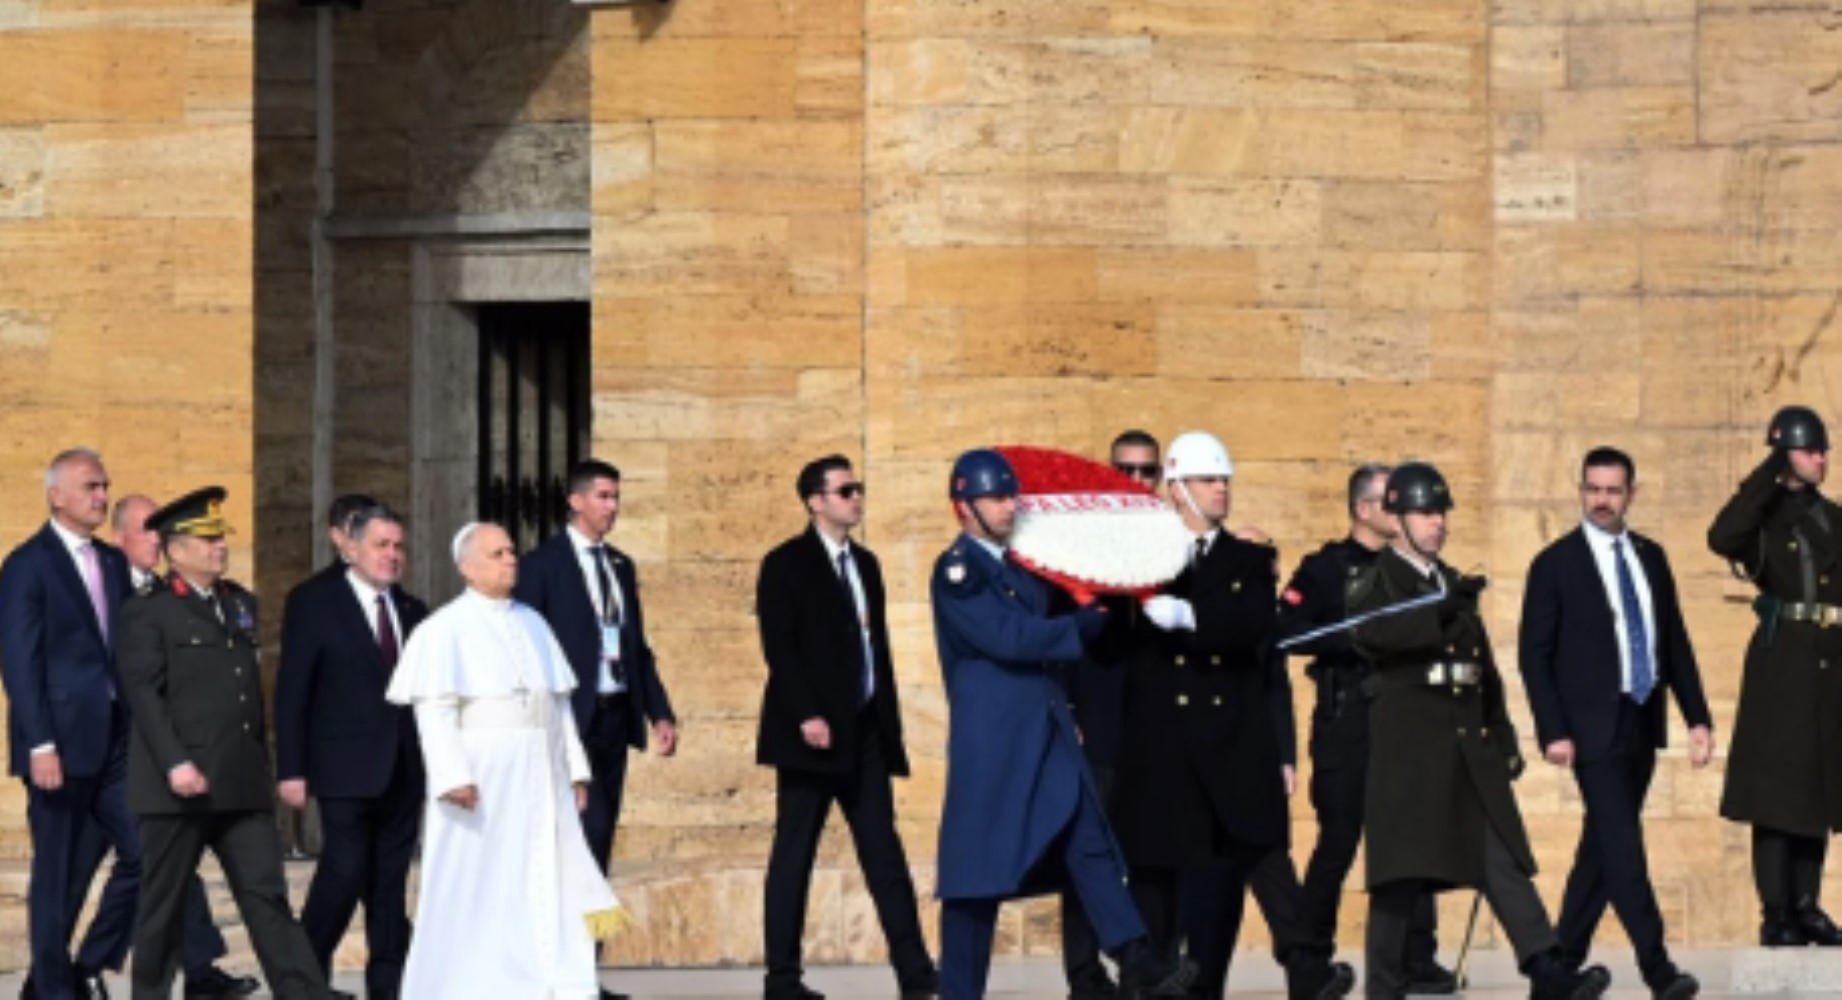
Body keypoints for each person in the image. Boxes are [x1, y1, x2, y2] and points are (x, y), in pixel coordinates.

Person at [929, 448, 1193, 1000]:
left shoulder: (1023, 566)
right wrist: (1079, 625)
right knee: (977, 879)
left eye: (1011, 497)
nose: (1009, 507)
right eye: (996, 499)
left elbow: (1070, 587)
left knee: (1088, 839)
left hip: (1046, 728)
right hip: (996, 742)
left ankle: (1134, 956)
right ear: (964, 508)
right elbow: (1009, 637)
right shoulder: (957, 572)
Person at [1350, 463, 1608, 1000]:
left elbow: (1481, 669)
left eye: (1441, 512)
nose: (1436, 523)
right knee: (1400, 877)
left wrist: (1503, 732)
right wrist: (1438, 609)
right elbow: (1371, 631)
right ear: (1395, 519)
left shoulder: (1450, 582)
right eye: (1424, 512)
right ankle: (1384, 987)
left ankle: (1547, 968)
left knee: (1501, 859)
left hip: (1466, 749)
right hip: (1409, 752)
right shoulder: (1376, 578)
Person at [1112, 432, 1351, 1000]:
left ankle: (1294, 965)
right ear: (1178, 488)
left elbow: (1253, 629)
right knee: (1158, 873)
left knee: (1251, 856)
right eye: (1207, 481)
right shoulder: (1142, 556)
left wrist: (1188, 615)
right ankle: (1147, 978)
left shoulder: (1245, 559)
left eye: (1224, 480)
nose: (1220, 490)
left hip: (1231, 738)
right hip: (1163, 743)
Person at [385, 521, 624, 1000]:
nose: (511, 559)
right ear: (467, 568)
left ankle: (545, 979)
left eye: (512, 551)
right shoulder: (442, 630)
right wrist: (452, 775)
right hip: (482, 774)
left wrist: (575, 770)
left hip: (541, 772)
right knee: (479, 879)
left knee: (542, 873)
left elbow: (555, 705)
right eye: (497, 554)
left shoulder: (534, 622)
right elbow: (434, 710)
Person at [39, 494, 259, 999]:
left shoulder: (165, 594)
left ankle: (183, 970)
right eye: (147, 531)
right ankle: (57, 976)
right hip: (93, 751)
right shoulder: (109, 590)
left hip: (136, 757)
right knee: (84, 871)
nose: (159, 540)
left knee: (158, 860)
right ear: (121, 540)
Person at [116, 487, 330, 1000]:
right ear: (176, 549)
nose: (219, 547)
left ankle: (304, 993)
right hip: (179, 787)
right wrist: (175, 764)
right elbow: (144, 695)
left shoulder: (238, 602)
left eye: (220, 538)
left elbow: (246, 695)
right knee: (163, 907)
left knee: (267, 899)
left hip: (238, 782)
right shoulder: (150, 611)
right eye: (206, 540)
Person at [1520, 447, 1712, 998]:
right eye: (1593, 489)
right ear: (1581, 490)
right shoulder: (1555, 563)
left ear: (1632, 494)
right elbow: (1535, 656)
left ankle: (1556, 973)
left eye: (1612, 490)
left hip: (1641, 720)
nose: (1601, 500)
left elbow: (1672, 641)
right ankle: (1659, 970)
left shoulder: (1652, 556)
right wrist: (1552, 728)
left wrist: (1696, 717)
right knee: (1624, 849)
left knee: (1601, 851)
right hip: (1589, 727)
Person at [756, 455, 937, 1000]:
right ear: (815, 501)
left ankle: (915, 973)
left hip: (864, 735)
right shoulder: (785, 563)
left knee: (885, 852)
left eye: (857, 489)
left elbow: (872, 650)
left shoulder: (867, 564)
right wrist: (808, 713)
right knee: (795, 855)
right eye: (844, 490)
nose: (855, 498)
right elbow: (780, 648)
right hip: (809, 737)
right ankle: (782, 979)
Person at [1278, 465, 1451, 992]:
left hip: (1404, 722)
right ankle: (1311, 958)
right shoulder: (1324, 568)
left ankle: (1416, 958)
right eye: (1387, 502)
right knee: (1338, 841)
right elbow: (1285, 633)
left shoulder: (1414, 568)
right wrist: (1351, 639)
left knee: (1410, 843)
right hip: (1348, 718)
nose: (1400, 513)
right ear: (1362, 510)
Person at [276, 505, 430, 999]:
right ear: (351, 546)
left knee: (388, 886)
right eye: (382, 545)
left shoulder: (413, 611)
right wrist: (292, 769)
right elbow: (292, 690)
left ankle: (387, 987)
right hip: (343, 768)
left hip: (403, 771)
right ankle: (303, 977)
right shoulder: (315, 601)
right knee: (343, 871)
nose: (393, 555)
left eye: (398, 546)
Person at [0, 449, 136, 1000]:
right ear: (56, 495)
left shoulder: (110, 561)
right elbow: (19, 659)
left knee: (148, 854)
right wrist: (40, 743)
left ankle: (85, 964)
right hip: (58, 744)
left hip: (116, 743)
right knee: (56, 873)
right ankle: (53, 990)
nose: (101, 497)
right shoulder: (28, 564)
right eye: (89, 487)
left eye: (105, 487)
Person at [1708, 405, 1842, 945]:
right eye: (1812, 450)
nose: (1823, 458)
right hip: (1781, 662)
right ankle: (1776, 911)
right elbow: (1722, 536)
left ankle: (1808, 904)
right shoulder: (1764, 519)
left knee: (1820, 787)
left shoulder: (1833, 517)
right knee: (1777, 793)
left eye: (1824, 450)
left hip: (1831, 663)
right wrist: (1772, 471)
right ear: (1789, 453)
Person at [1058, 430, 1160, 1000]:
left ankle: (1140, 969)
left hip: (1153, 723)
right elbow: (1062, 627)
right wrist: (1068, 707)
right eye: (1127, 468)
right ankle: (1085, 974)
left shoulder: (1169, 543)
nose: (1137, 480)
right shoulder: (1081, 542)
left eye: (1148, 472)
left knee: (1147, 850)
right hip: (1096, 718)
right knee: (1089, 849)